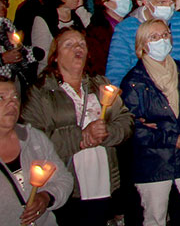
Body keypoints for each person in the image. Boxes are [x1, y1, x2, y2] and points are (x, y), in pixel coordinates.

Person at [22, 28, 133, 222]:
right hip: (68, 188)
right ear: (55, 56)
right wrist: (80, 137)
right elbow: (33, 140)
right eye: (69, 44)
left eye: (81, 44)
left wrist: (108, 132)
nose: (77, 48)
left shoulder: (99, 84)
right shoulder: (41, 92)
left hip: (104, 183)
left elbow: (125, 121)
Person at [120, 18, 180, 226]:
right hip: (154, 160)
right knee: (155, 217)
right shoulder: (134, 81)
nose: (161, 40)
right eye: (154, 37)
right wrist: (171, 138)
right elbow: (132, 127)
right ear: (143, 44)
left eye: (165, 35)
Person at [0, 76, 76, 226]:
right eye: (1, 97)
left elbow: (64, 179)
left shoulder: (34, 139)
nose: (12, 103)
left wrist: (46, 197)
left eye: (15, 96)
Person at [31, 0, 89, 74]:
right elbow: (42, 55)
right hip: (51, 72)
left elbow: (91, 31)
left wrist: (80, 9)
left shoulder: (78, 16)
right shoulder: (44, 18)